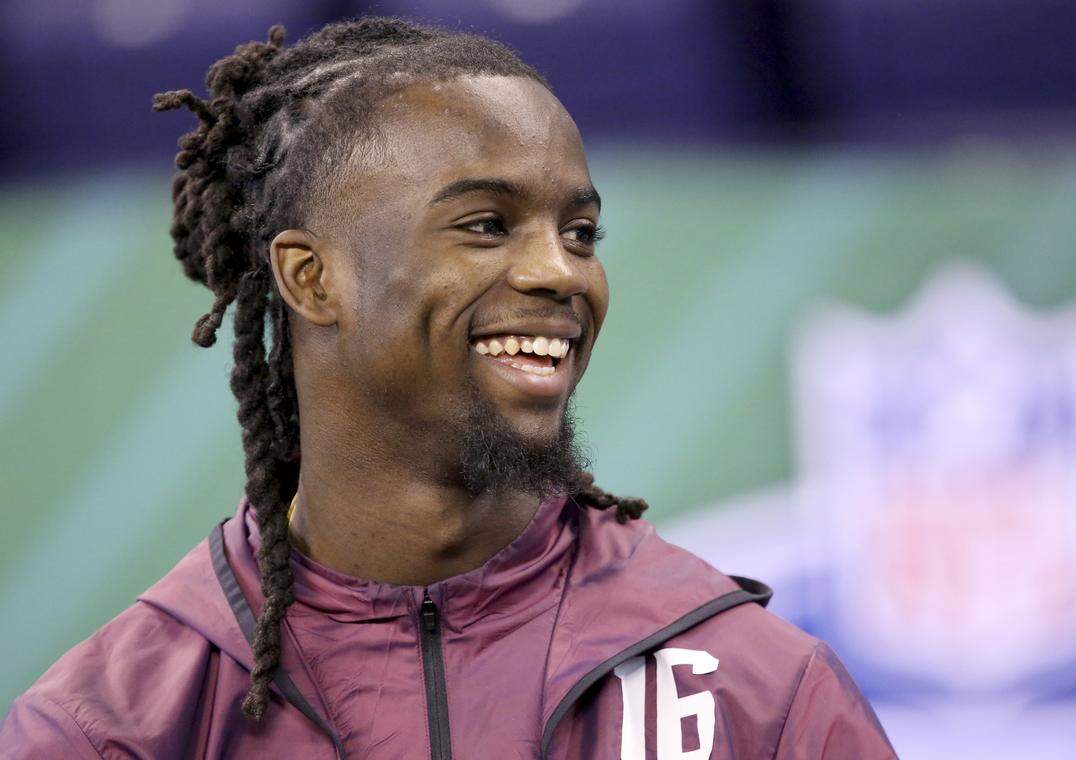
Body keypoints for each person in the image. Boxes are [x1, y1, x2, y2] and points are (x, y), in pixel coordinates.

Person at [0, 18, 895, 759]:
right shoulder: (113, 729)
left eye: (580, 232)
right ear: (313, 280)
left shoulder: (756, 691)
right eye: (485, 224)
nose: (561, 273)